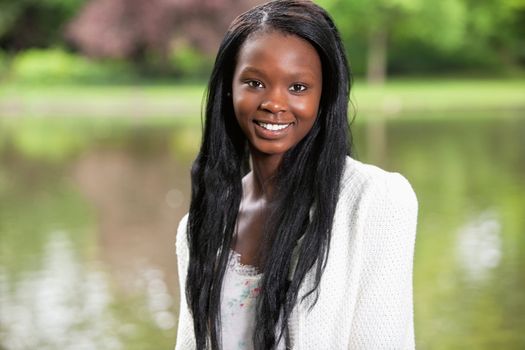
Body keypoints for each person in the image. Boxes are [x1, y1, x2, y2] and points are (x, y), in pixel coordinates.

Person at [175, 1, 418, 349]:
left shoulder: (375, 201)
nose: (274, 102)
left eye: (298, 88)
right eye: (254, 82)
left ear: (325, 96)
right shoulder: (199, 226)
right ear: (229, 88)